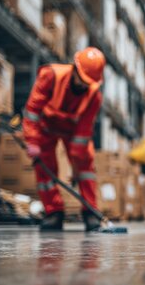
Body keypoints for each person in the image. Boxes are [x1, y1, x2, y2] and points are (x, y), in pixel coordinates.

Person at [22, 47, 105, 231]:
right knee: (45, 170)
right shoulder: (50, 76)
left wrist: (77, 163)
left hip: (72, 131)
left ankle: (91, 213)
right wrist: (32, 141)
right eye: (82, 80)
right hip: (46, 127)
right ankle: (54, 213)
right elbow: (32, 111)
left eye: (88, 83)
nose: (84, 86)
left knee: (86, 169)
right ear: (74, 68)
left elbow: (84, 131)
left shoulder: (94, 96)